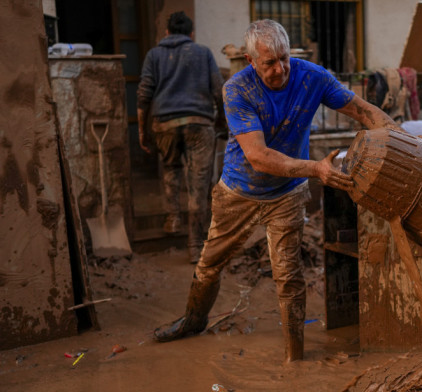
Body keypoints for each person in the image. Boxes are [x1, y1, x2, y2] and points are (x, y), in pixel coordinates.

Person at [153, 19, 401, 363]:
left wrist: (400, 140)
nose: (279, 69)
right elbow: (258, 157)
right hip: (238, 191)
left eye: (283, 58)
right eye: (269, 63)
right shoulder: (237, 89)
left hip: (287, 194)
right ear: (250, 60)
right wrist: (316, 168)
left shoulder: (311, 76)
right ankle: (193, 321)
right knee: (209, 266)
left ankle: (293, 356)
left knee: (288, 276)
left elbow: (362, 110)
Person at [137, 12, 224, 264]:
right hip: (199, 124)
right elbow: (219, 90)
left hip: (164, 124)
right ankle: (195, 246)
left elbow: (143, 96)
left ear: (166, 33)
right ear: (191, 34)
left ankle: (173, 216)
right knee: (198, 185)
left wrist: (143, 131)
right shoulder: (203, 52)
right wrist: (221, 122)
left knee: (171, 168)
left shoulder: (154, 55)